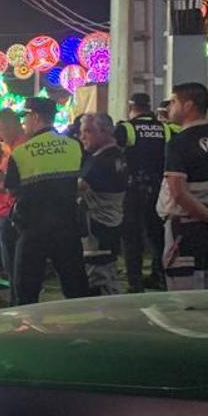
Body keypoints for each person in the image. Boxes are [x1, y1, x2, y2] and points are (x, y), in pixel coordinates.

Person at [5, 97, 89, 304]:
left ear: (35, 117)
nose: (24, 123)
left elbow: (12, 188)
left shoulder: (22, 153)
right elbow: (84, 180)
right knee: (76, 287)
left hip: (32, 229)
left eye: (25, 117)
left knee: (26, 290)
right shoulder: (74, 145)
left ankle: (28, 332)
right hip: (67, 226)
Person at [159, 83, 208, 291]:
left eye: (174, 101)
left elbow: (178, 192)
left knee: (185, 298)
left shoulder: (179, 143)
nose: (169, 107)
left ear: (188, 106)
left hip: (185, 229)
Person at [115, 93, 171, 292]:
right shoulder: (165, 128)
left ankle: (135, 283)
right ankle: (160, 276)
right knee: (158, 235)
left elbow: (116, 155)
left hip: (134, 189)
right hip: (159, 188)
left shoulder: (126, 128)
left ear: (132, 108)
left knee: (132, 237)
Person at [78, 113, 127, 295]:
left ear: (105, 132)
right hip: (112, 223)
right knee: (109, 274)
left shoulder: (99, 162)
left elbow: (78, 189)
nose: (82, 137)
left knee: (98, 280)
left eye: (88, 132)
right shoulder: (118, 155)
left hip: (97, 228)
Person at [0, 108, 26, 291]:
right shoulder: (16, 148)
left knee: (13, 267)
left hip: (10, 212)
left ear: (10, 127)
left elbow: (12, 184)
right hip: (11, 211)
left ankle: (17, 305)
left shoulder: (19, 150)